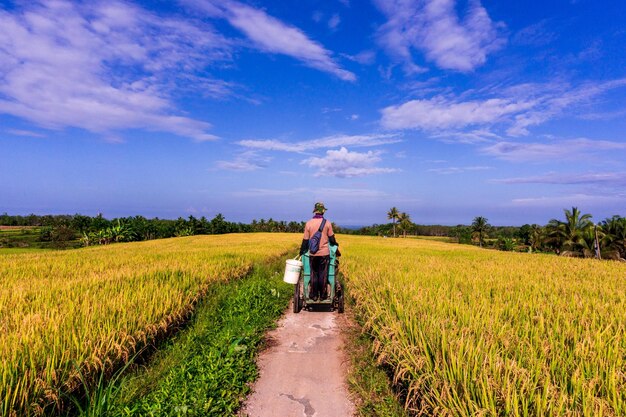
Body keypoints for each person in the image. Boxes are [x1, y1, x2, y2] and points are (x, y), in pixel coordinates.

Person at [299, 202, 339, 301]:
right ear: (323, 212)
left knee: (314, 274)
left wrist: (301, 251)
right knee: (323, 274)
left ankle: (314, 295)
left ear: (315, 211)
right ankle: (323, 295)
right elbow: (332, 239)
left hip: (312, 254)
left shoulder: (308, 223)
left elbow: (305, 240)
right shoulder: (327, 223)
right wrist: (335, 244)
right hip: (324, 254)